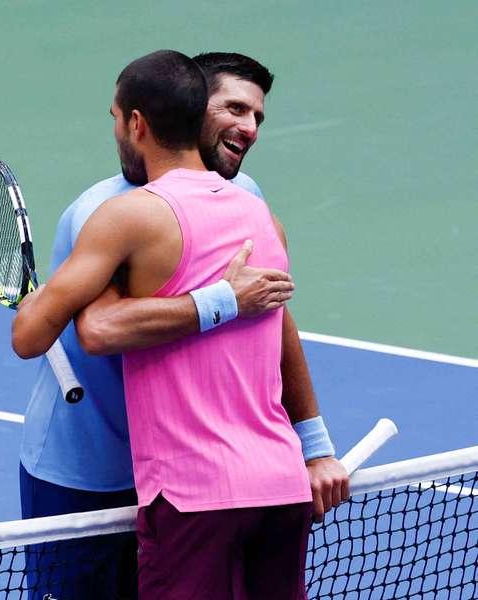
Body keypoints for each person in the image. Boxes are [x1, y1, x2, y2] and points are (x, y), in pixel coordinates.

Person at [19, 52, 347, 598]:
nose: (249, 128)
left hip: (190, 478)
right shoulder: (103, 212)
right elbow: (98, 330)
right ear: (192, 112)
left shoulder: (248, 201)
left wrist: (313, 443)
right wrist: (222, 300)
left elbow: (275, 316)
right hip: (89, 467)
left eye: (258, 117)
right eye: (235, 108)